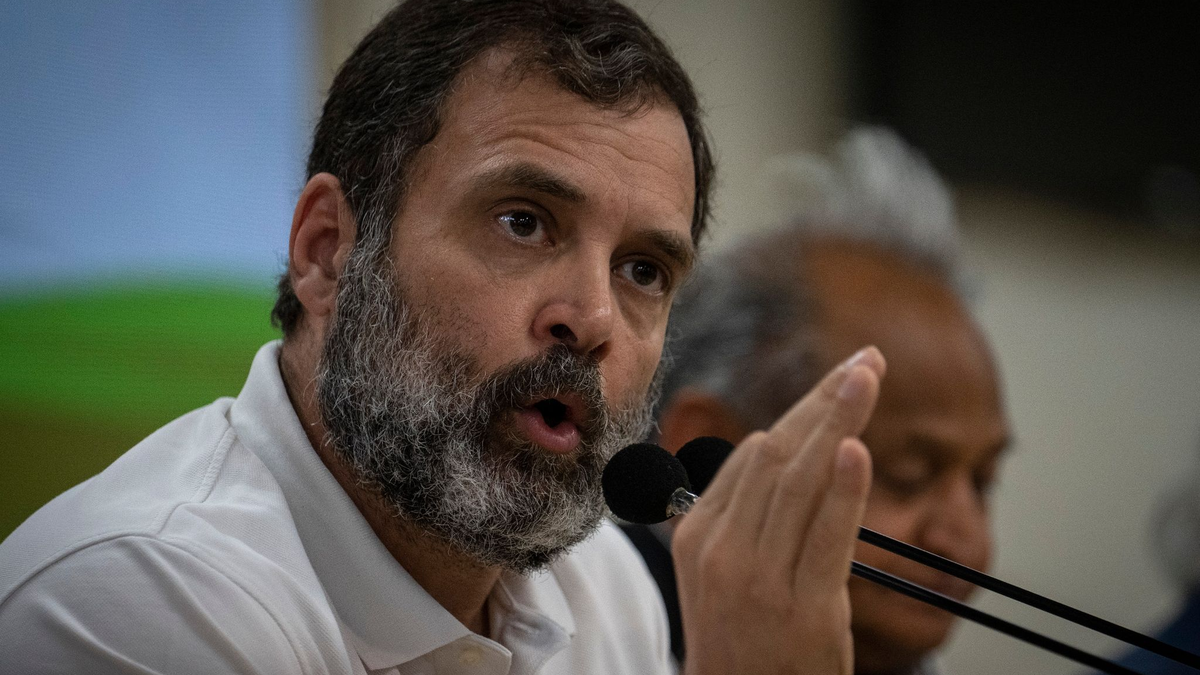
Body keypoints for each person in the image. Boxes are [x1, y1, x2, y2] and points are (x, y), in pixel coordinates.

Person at [0, 1, 887, 674]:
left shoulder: (606, 588)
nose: (593, 317)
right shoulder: (140, 599)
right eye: (523, 222)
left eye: (643, 270)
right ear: (328, 252)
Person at [623, 127, 1011, 674]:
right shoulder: (579, 639)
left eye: (983, 482)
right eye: (908, 474)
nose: (965, 542)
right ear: (707, 451)